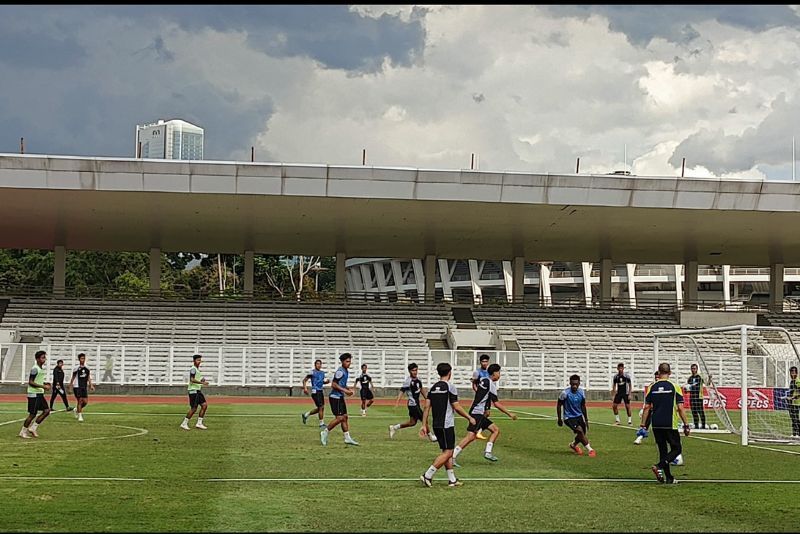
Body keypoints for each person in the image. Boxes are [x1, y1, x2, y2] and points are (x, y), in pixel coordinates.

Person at [419, 362, 475, 487]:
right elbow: (456, 406)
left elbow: (426, 407)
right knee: (448, 452)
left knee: (446, 450)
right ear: (449, 373)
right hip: (446, 424)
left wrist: (424, 424)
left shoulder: (433, 388)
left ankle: (452, 479)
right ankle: (427, 475)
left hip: (436, 424)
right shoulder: (450, 387)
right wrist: (469, 417)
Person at [452, 363, 517, 465]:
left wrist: (486, 408)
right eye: (499, 372)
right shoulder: (491, 384)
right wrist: (509, 414)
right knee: (470, 437)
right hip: (477, 413)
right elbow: (496, 403)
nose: (499, 375)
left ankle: (488, 452)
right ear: (494, 373)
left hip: (478, 412)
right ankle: (452, 456)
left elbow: (482, 394)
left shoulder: (484, 380)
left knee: (495, 430)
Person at [641, 362, 690, 484]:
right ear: (670, 373)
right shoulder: (674, 387)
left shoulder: (652, 387)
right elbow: (680, 408)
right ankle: (659, 466)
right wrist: (686, 424)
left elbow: (647, 407)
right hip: (670, 423)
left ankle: (669, 478)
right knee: (677, 449)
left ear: (658, 372)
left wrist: (643, 425)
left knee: (663, 450)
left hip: (656, 423)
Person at [320, 353, 359, 446]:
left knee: (345, 417)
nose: (349, 363)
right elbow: (334, 384)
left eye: (350, 361)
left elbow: (341, 383)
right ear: (342, 362)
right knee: (340, 418)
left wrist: (348, 389)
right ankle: (325, 432)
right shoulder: (340, 371)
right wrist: (345, 390)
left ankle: (347, 438)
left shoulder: (345, 371)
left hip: (340, 397)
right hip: (335, 397)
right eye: (347, 361)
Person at [389, 363, 433, 440]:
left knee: (412, 423)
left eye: (416, 370)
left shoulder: (419, 380)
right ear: (409, 371)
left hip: (416, 404)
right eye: (413, 370)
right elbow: (401, 391)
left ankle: (394, 427)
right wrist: (397, 402)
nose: (415, 372)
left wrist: (427, 399)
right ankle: (431, 436)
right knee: (424, 419)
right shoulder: (408, 381)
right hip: (413, 404)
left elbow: (422, 390)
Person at [557, 374, 596, 457]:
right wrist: (559, 418)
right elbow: (559, 405)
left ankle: (573, 445)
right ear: (570, 383)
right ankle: (590, 450)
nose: (574, 386)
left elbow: (583, 405)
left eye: (576, 384)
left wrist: (586, 419)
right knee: (580, 431)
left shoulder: (581, 392)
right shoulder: (565, 393)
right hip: (569, 417)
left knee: (582, 433)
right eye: (573, 384)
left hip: (578, 416)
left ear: (579, 383)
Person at [19, 350, 51, 439]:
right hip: (34, 394)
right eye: (42, 357)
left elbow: (37, 380)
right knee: (32, 414)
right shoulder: (35, 368)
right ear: (37, 359)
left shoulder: (40, 369)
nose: (44, 359)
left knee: (46, 411)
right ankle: (23, 431)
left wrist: (45, 383)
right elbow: (30, 382)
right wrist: (43, 386)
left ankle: (33, 428)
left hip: (39, 393)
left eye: (44, 357)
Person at [180, 354, 209, 430]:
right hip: (193, 391)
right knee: (194, 408)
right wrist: (202, 383)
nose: (199, 362)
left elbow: (197, 378)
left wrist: (202, 379)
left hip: (197, 391)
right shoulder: (193, 369)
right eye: (198, 360)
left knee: (204, 405)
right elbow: (192, 380)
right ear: (194, 361)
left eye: (200, 360)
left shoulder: (197, 369)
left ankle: (199, 423)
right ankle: (184, 423)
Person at [302, 359, 329, 428]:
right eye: (317, 364)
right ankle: (321, 424)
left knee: (321, 408)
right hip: (315, 391)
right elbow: (304, 380)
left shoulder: (322, 373)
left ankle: (306, 415)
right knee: (321, 407)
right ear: (315, 365)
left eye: (320, 364)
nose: (319, 365)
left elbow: (320, 382)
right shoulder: (312, 372)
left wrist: (326, 382)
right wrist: (305, 388)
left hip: (320, 391)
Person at [634, 371, 660, 445]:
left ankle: (660, 439)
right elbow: (647, 398)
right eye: (656, 377)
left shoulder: (665, 385)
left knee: (659, 426)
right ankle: (639, 437)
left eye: (658, 376)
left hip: (660, 409)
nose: (657, 378)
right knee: (645, 424)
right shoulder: (651, 386)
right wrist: (643, 408)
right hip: (651, 408)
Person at [69, 353, 95, 422]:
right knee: (80, 401)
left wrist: (91, 385)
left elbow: (88, 377)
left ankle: (76, 409)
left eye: (83, 358)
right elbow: (73, 377)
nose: (82, 360)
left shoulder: (87, 368)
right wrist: (70, 386)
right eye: (81, 358)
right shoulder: (76, 368)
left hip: (84, 386)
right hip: (77, 386)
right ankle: (80, 416)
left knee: (85, 402)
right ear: (79, 359)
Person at [472, 354, 492, 440]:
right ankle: (477, 430)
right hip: (481, 397)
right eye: (483, 361)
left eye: (486, 361)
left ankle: (477, 429)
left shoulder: (490, 372)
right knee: (483, 413)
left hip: (488, 395)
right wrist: (478, 392)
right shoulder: (477, 372)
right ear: (480, 362)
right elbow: (474, 384)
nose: (484, 363)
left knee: (486, 413)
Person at [686, 363, 706, 429]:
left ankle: (703, 426)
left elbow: (707, 383)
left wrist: (710, 379)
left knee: (701, 412)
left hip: (699, 397)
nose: (693, 370)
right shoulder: (690, 378)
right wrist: (686, 390)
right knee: (694, 412)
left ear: (697, 369)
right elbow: (688, 388)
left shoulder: (700, 377)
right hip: (692, 397)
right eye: (692, 368)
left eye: (694, 368)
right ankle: (696, 425)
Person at [788, 366, 799, 437]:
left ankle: (798, 433)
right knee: (792, 417)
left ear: (796, 373)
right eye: (791, 372)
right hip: (791, 402)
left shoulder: (797, 381)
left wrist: (793, 397)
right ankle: (794, 433)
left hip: (797, 402)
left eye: (794, 372)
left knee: (796, 417)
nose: (792, 374)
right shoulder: (792, 381)